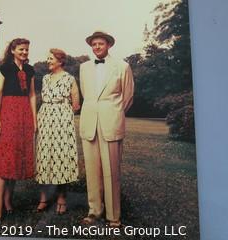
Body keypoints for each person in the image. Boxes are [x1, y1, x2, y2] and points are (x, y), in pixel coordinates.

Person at [79, 31, 134, 227]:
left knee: (111, 172)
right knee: (92, 172)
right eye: (94, 44)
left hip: (111, 123)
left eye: (100, 44)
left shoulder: (123, 66)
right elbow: (87, 95)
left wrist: (113, 112)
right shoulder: (84, 67)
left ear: (108, 45)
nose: (97, 47)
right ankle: (94, 211)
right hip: (89, 123)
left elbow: (127, 98)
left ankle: (113, 216)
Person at [0, 38, 37, 224]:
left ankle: (8, 200)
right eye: (21, 49)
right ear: (13, 50)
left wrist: (34, 119)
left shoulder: (30, 70)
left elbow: (31, 95)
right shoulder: (4, 68)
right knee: (6, 158)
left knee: (16, 157)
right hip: (8, 113)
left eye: (27, 50)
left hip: (24, 116)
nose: (24, 52)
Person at [35, 48, 80, 215]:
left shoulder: (69, 78)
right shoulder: (45, 78)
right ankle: (43, 198)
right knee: (44, 155)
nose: (48, 61)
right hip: (45, 117)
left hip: (63, 120)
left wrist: (64, 113)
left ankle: (62, 197)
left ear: (60, 61)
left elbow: (76, 103)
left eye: (51, 59)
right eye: (48, 58)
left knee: (62, 157)